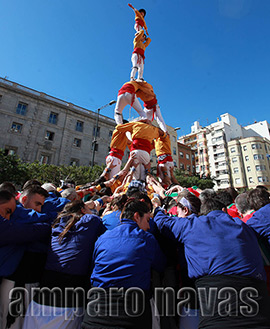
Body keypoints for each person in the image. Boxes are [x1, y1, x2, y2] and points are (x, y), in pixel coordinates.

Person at [153, 195, 270, 328]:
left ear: (202, 214)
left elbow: (163, 223)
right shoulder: (245, 227)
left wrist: (158, 209)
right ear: (224, 210)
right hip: (260, 313)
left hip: (217, 317)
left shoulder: (193, 225)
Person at [82, 198, 166, 329]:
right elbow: (160, 265)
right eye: (147, 220)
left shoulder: (103, 238)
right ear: (137, 216)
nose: (149, 226)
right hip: (131, 316)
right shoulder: (146, 238)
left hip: (95, 312)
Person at [22, 200, 106, 329]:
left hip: (42, 298)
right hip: (69, 301)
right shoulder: (91, 221)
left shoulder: (56, 227)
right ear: (83, 210)